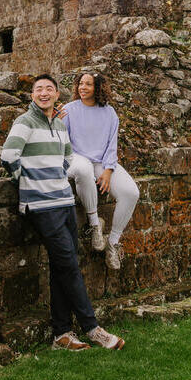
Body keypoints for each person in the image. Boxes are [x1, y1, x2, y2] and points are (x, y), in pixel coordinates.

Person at [1, 74, 125, 351]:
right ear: (32, 95)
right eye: (38, 89)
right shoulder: (25, 122)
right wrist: (30, 181)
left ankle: (62, 334)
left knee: (64, 264)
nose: (43, 93)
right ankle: (93, 328)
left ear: (57, 95)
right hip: (42, 205)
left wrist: (56, 178)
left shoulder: (59, 124)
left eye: (49, 89)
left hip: (64, 201)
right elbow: (9, 157)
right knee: (68, 263)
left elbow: (68, 159)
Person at [64, 71, 139, 270]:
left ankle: (113, 243)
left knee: (131, 192)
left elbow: (111, 146)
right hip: (76, 158)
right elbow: (63, 141)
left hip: (101, 162)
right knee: (83, 169)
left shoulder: (109, 113)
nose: (83, 87)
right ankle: (95, 225)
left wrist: (108, 170)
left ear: (98, 88)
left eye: (88, 84)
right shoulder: (69, 110)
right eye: (80, 83)